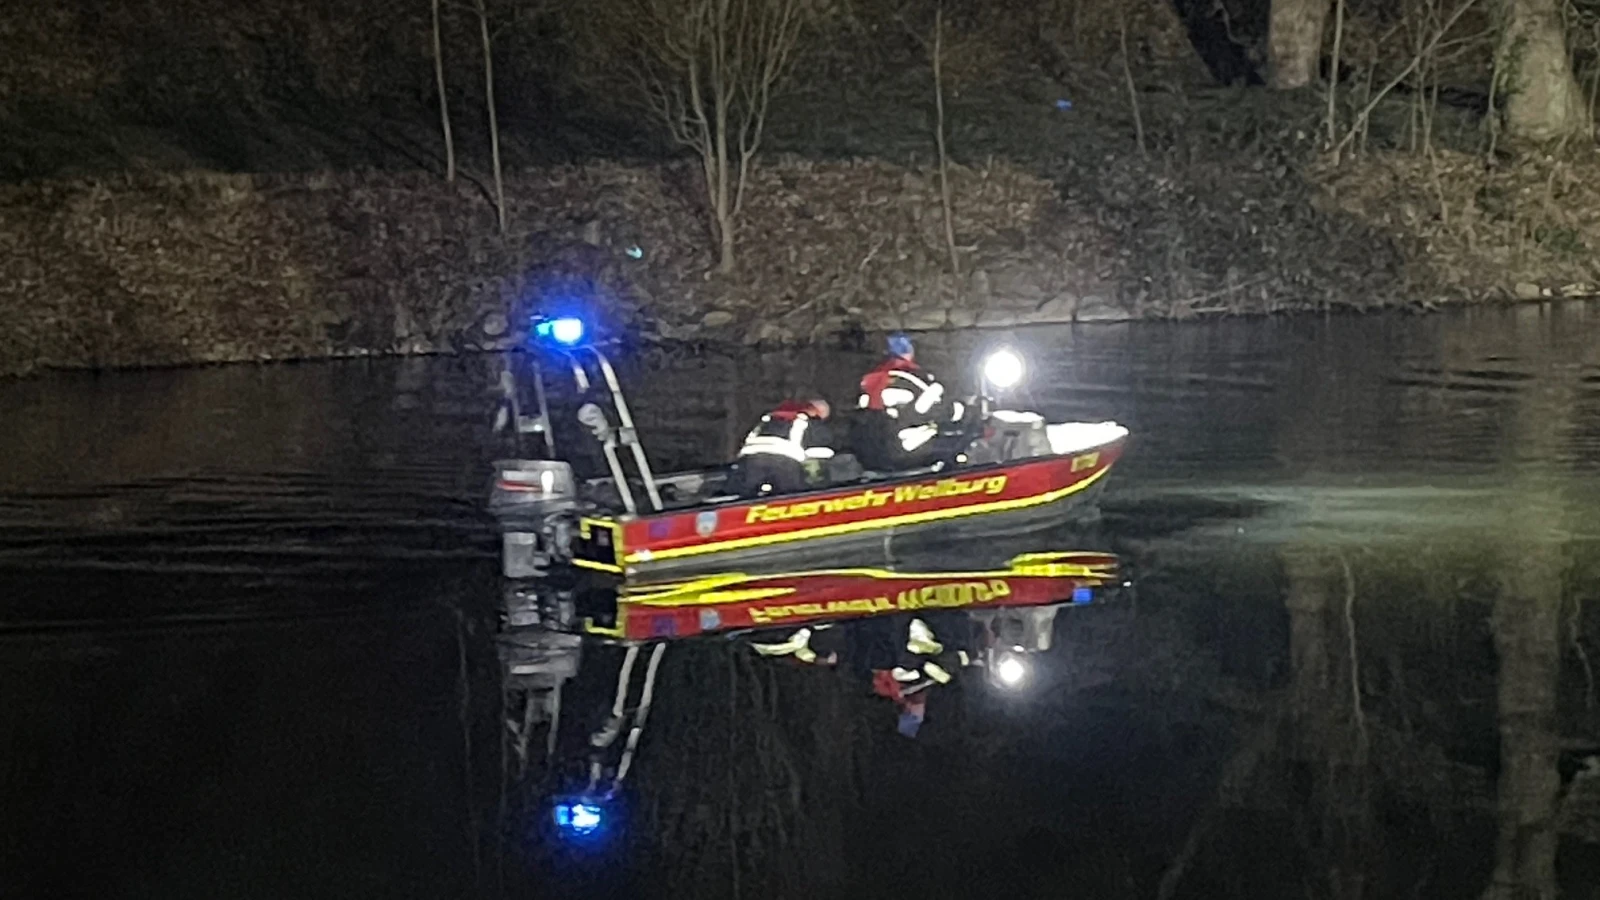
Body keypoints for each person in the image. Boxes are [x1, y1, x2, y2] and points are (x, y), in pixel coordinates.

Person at [855, 333, 968, 471]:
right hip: (912, 456)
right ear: (909, 350)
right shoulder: (910, 379)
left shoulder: (872, 380)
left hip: (874, 456)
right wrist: (959, 410)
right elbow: (929, 409)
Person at [728, 399, 835, 498]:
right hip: (783, 462)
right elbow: (820, 447)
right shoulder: (808, 420)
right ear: (817, 412)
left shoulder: (769, 417)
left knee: (743, 497)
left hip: (749, 459)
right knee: (790, 497)